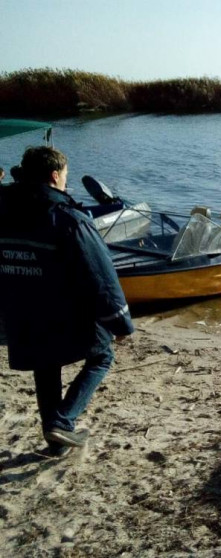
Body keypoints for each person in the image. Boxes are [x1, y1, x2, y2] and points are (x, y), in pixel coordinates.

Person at [0, 146, 133, 456]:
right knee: (102, 355)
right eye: (65, 178)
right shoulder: (68, 219)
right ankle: (62, 420)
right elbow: (100, 276)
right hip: (62, 314)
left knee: (44, 365)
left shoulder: (3, 210)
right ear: (55, 175)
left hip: (20, 313)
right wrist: (121, 322)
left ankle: (55, 442)